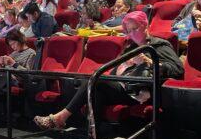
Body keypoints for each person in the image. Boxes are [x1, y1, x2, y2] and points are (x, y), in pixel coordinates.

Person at [33, 11, 183, 130]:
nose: (131, 34)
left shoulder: (159, 45)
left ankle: (61, 117)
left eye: (135, 29)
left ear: (146, 26)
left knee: (95, 81)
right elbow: (114, 70)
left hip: (144, 91)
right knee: (96, 92)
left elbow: (177, 69)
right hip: (124, 87)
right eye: (128, 31)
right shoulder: (130, 48)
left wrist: (149, 62)